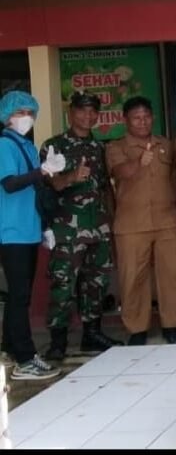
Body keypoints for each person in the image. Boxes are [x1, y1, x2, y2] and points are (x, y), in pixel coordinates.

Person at [41, 91, 123, 360]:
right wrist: (72, 176)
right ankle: (58, 341)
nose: (88, 116)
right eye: (82, 110)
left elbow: (105, 189)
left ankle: (92, 334)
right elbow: (52, 183)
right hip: (68, 229)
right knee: (63, 286)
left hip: (98, 226)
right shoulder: (55, 145)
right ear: (71, 113)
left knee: (96, 283)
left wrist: (112, 221)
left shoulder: (100, 148)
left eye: (93, 112)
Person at [106, 97, 176, 345]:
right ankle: (137, 328)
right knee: (133, 278)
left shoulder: (165, 144)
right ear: (125, 120)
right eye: (137, 118)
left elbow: (175, 179)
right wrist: (139, 163)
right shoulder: (115, 147)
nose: (143, 122)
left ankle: (172, 325)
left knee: (173, 275)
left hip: (167, 220)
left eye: (146, 117)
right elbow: (120, 172)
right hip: (132, 223)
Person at [0, 91, 62, 379]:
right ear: (8, 114)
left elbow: (35, 190)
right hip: (11, 230)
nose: (27, 117)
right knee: (20, 296)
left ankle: (11, 349)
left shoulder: (24, 144)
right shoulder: (4, 145)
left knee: (19, 295)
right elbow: (10, 184)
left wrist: (44, 226)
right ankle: (25, 358)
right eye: (21, 111)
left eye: (31, 112)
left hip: (27, 229)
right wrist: (42, 171)